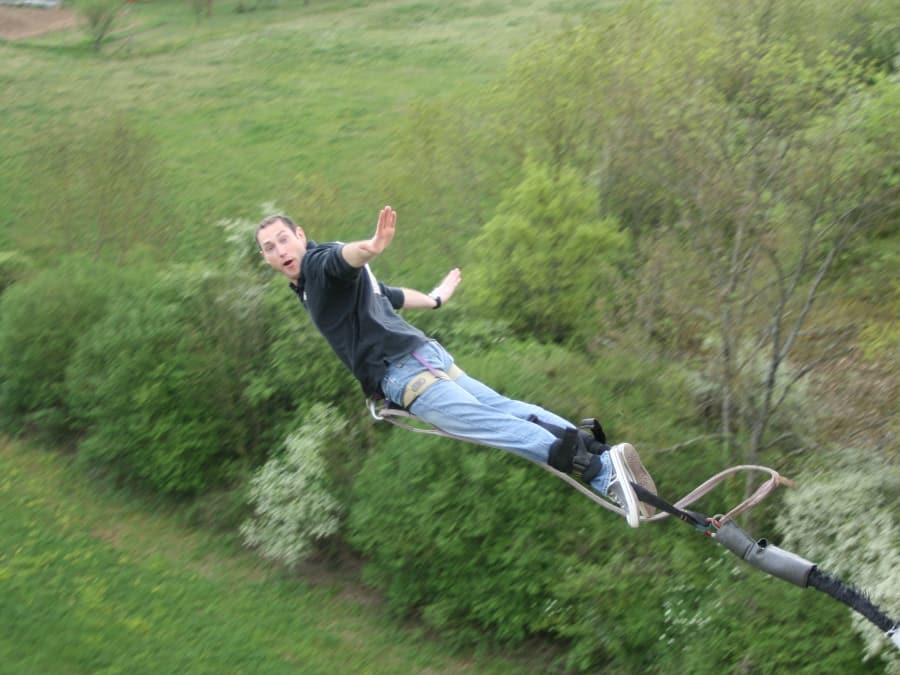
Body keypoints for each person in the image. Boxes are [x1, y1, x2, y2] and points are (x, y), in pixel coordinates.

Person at [256, 206, 657, 527]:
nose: (280, 251)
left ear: (301, 236)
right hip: (425, 357)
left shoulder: (317, 268)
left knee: (494, 427)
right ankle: (604, 456)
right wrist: (436, 300)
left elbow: (342, 260)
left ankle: (605, 475)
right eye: (270, 248)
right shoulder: (313, 287)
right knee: (505, 409)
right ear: (266, 258)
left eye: (284, 239)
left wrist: (372, 247)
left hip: (406, 374)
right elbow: (388, 296)